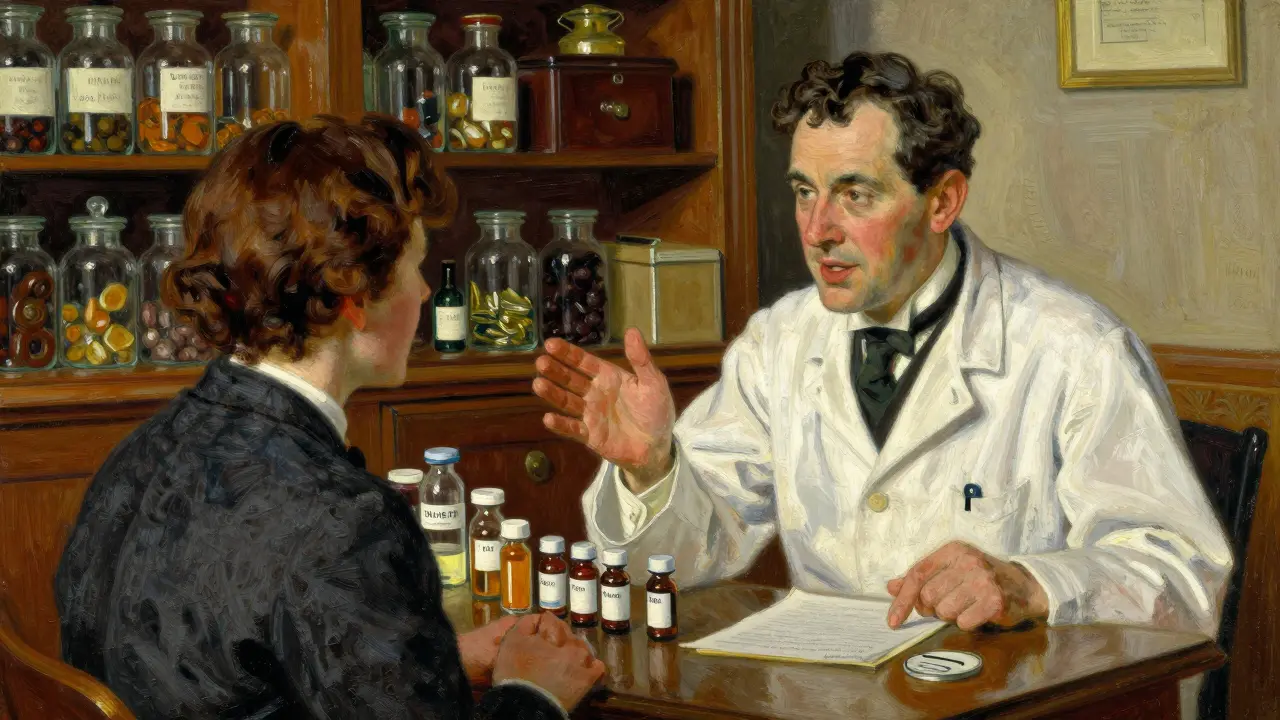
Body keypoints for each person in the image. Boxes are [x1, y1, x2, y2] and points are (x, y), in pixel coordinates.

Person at [533, 51, 1232, 637]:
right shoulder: (780, 340)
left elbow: (1183, 574)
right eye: (805, 192)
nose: (817, 230)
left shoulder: (1075, 346)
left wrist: (1031, 583)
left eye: (855, 195)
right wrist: (654, 469)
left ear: (942, 202)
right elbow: (692, 552)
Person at [55, 115, 604, 719]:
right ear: (354, 295)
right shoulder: (345, 522)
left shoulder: (141, 453)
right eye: (415, 267)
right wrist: (534, 693)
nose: (425, 294)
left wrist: (423, 657)